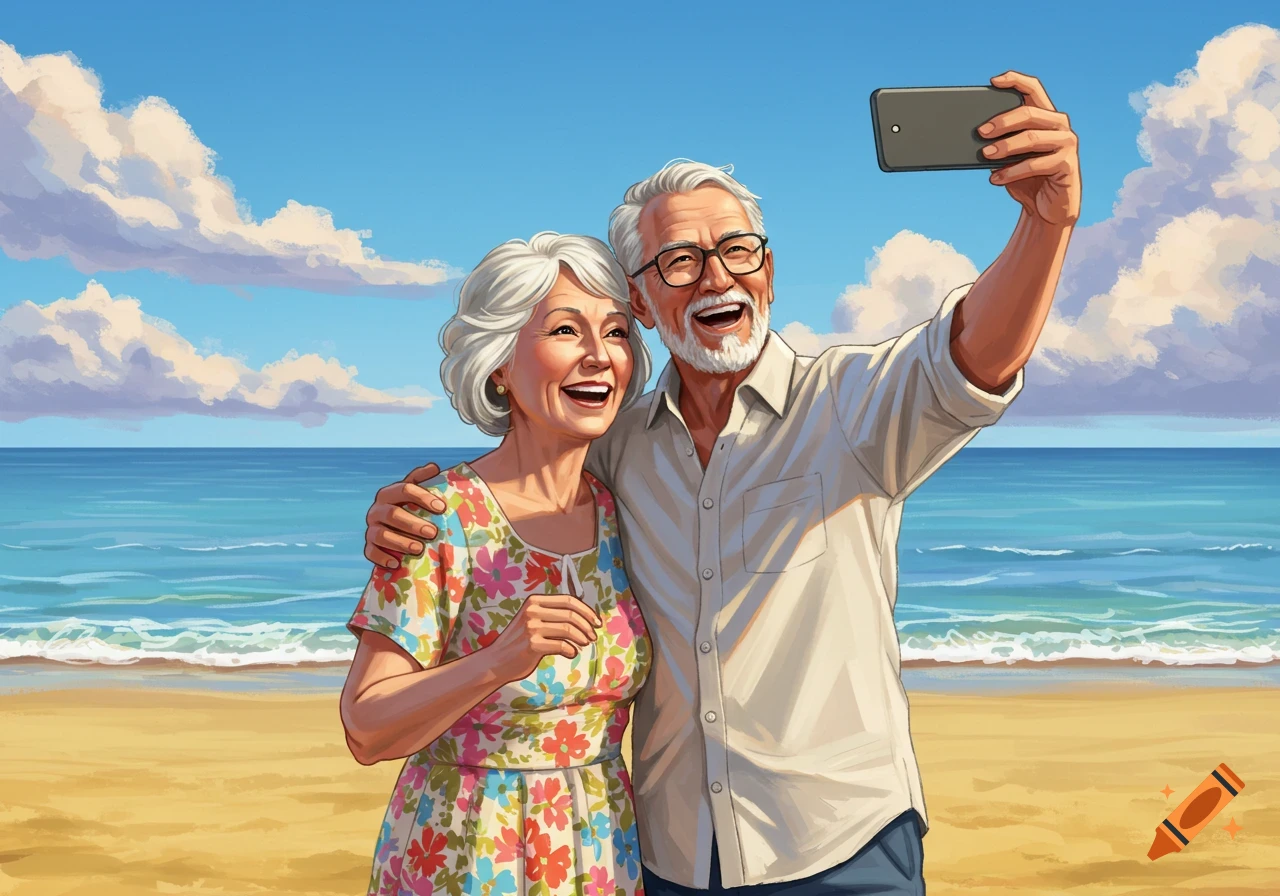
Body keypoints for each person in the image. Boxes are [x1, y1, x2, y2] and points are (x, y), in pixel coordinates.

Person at [359, 72, 1080, 894]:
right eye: (680, 260)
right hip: (663, 856)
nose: (718, 278)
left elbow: (973, 356)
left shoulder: (849, 406)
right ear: (641, 297)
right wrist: (406, 515)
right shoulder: (615, 450)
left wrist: (1045, 223)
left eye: (739, 250)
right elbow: (514, 491)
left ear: (768, 267)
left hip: (837, 849)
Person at [339, 232, 654, 896]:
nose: (600, 357)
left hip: (600, 851)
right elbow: (366, 727)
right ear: (498, 365)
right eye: (566, 330)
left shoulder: (624, 509)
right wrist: (497, 661)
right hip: (466, 852)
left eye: (617, 332)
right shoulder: (440, 518)